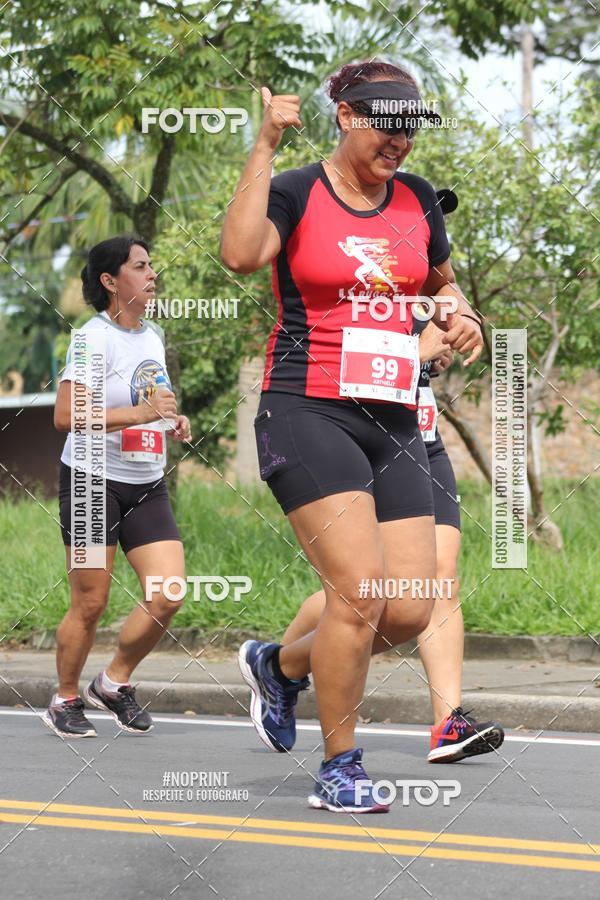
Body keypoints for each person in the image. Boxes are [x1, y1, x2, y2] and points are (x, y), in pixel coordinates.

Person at [222, 58, 485, 813]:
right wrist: (266, 143)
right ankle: (341, 764)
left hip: (394, 412)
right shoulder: (297, 190)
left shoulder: (415, 202)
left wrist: (459, 312)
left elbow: (440, 281)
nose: (400, 142)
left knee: (407, 608)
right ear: (346, 117)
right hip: (309, 409)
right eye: (387, 126)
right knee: (360, 592)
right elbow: (240, 255)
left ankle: (280, 667)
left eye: (411, 129)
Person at [280, 323, 505, 764]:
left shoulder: (421, 269)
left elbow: (438, 323)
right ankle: (282, 668)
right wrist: (411, 350)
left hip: (421, 435)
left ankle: (447, 723)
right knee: (362, 588)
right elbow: (341, 356)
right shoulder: (347, 267)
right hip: (360, 436)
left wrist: (440, 349)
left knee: (440, 579)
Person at [43, 236, 191, 739]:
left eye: (151, 265)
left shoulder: (152, 335)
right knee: (90, 601)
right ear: (111, 281)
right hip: (90, 481)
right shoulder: (91, 338)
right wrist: (139, 414)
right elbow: (65, 415)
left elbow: (151, 399)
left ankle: (112, 682)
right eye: (140, 266)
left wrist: (171, 420)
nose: (152, 274)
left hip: (145, 480)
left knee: (168, 592)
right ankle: (64, 698)